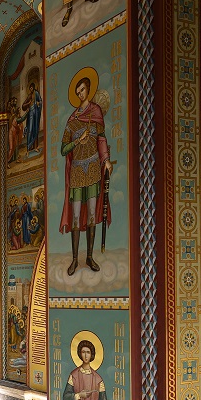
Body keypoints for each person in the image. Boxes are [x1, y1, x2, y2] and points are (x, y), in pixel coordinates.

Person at [58, 71, 112, 276]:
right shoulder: (72, 120)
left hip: (93, 169)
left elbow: (101, 139)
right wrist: (77, 142)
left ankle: (89, 256)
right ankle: (74, 259)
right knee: (75, 216)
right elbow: (63, 149)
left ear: (88, 89)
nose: (80, 93)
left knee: (91, 214)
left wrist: (106, 160)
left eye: (82, 89)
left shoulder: (96, 112)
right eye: (78, 91)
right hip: (77, 171)